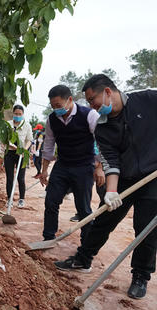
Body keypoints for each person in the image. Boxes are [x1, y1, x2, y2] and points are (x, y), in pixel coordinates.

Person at [55, 74, 157, 299]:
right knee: (104, 218)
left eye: (92, 99)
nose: (91, 106)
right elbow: (110, 161)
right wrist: (112, 192)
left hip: (156, 175)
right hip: (124, 177)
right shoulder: (102, 126)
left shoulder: (147, 99)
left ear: (107, 92)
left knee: (148, 227)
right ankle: (83, 259)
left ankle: (141, 276)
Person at [34, 85, 100, 244]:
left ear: (70, 100)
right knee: (51, 200)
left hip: (84, 166)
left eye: (58, 105)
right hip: (63, 165)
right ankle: (48, 237)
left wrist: (99, 167)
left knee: (83, 207)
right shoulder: (52, 119)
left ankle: (86, 246)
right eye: (53, 106)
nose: (56, 109)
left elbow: (102, 141)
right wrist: (44, 171)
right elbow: (48, 146)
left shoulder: (89, 115)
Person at [5, 105, 33, 208]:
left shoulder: (27, 125)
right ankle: (9, 199)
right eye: (16, 114)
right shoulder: (8, 124)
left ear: (23, 114)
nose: (17, 116)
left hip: (22, 154)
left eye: (19, 114)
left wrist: (24, 149)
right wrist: (15, 148)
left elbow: (30, 140)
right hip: (10, 153)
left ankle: (21, 199)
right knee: (10, 178)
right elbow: (5, 140)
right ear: (13, 113)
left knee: (21, 178)